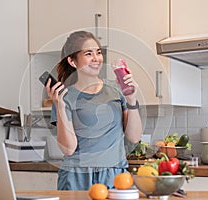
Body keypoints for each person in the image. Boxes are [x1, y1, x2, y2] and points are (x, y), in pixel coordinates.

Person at [45, 30, 142, 190]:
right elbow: (68, 149)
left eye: (98, 52)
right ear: (72, 61)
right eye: (88, 54)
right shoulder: (64, 97)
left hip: (115, 174)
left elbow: (134, 137)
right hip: (77, 176)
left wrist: (131, 99)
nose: (96, 58)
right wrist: (60, 106)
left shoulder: (116, 90)